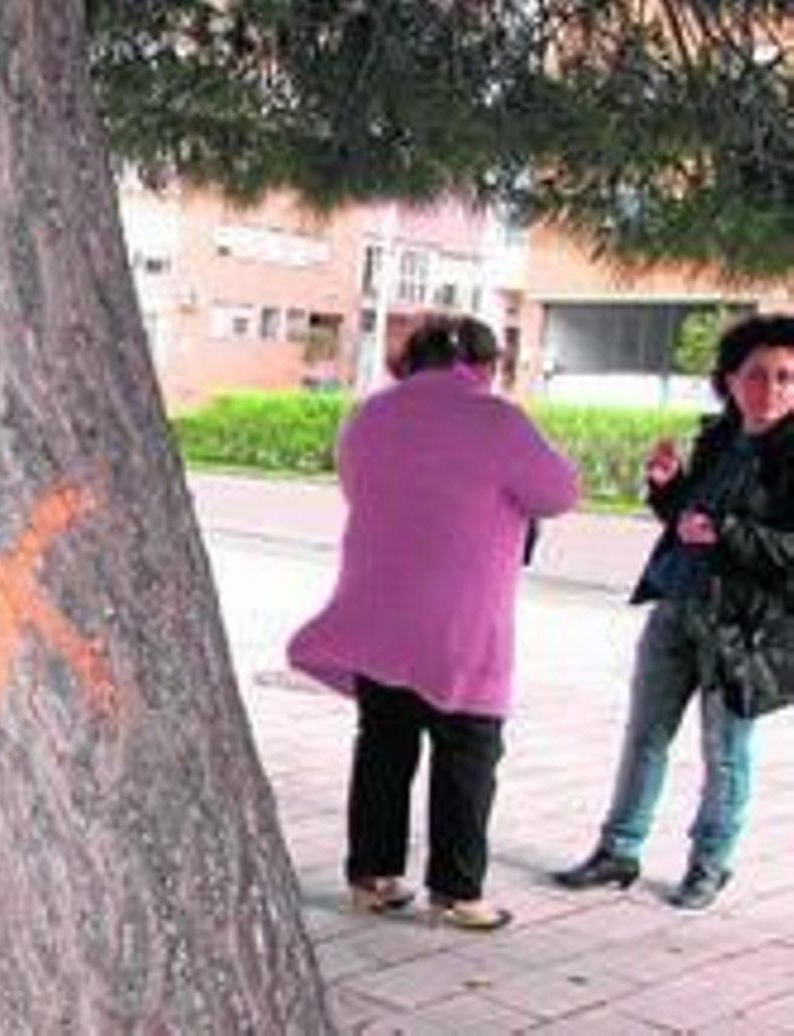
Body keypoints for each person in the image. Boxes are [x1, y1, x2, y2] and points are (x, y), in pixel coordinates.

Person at [287, 315, 581, 931]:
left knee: (383, 746)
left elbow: (354, 483)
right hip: (462, 624)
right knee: (468, 752)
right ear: (486, 363)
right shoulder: (497, 419)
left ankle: (373, 876)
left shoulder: (369, 415)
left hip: (377, 610)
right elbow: (557, 492)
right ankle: (456, 891)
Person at [554, 314, 794, 910]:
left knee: (725, 752)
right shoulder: (718, 437)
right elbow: (693, 524)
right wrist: (669, 490)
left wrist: (726, 530)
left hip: (744, 630)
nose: (772, 391)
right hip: (676, 605)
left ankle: (710, 863)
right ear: (730, 381)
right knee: (645, 737)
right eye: (756, 376)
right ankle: (619, 850)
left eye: (787, 378)